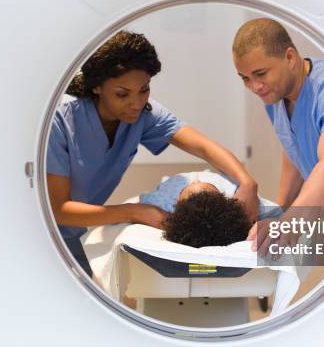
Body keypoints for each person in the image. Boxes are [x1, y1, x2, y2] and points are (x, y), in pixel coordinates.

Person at [47, 30, 259, 275]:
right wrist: (133, 212)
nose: (136, 103)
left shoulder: (142, 114)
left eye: (144, 90)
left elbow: (202, 146)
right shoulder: (62, 118)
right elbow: (58, 209)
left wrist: (247, 182)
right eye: (122, 94)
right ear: (97, 87)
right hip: (40, 232)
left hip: (73, 234)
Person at [231, 18, 324, 257]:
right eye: (245, 78)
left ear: (290, 57)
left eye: (260, 74)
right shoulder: (276, 95)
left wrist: (290, 223)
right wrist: (280, 211)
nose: (255, 86)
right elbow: (293, 147)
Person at [140, 170, 282, 247]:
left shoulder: (162, 203)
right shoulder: (243, 202)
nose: (196, 180)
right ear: (224, 197)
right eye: (208, 186)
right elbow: (280, 214)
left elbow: (141, 201)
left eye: (186, 190)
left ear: (176, 206)